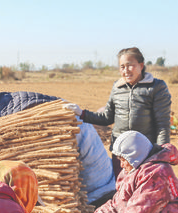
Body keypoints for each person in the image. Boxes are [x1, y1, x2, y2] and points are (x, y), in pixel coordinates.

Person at [64, 47, 172, 178]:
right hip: (120, 153)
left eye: (130, 65)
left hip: (144, 152)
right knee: (121, 189)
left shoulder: (156, 87)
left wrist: (161, 152)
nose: (126, 71)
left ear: (141, 65)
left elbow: (162, 124)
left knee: (144, 190)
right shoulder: (117, 87)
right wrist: (82, 113)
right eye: (122, 67)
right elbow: (106, 118)